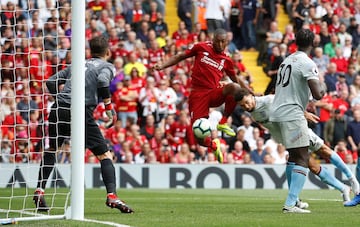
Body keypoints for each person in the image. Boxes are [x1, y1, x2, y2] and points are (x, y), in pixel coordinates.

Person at [33, 36, 134, 213]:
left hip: (59, 108)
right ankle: (112, 196)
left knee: (52, 149)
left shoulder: (78, 64)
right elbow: (103, 82)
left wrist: (60, 99)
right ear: (108, 52)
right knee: (105, 155)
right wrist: (109, 109)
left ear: (90, 51)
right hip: (80, 111)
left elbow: (50, 81)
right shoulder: (107, 66)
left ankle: (39, 190)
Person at [234, 88, 360, 207]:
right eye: (242, 105)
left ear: (251, 96)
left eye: (247, 102)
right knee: (310, 165)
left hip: (297, 130)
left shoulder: (269, 100)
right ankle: (343, 188)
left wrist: (305, 114)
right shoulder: (253, 115)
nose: (246, 106)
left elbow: (289, 105)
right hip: (287, 138)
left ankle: (352, 179)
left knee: (324, 151)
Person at [152, 28, 250, 163]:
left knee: (234, 87)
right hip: (198, 95)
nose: (221, 45)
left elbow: (235, 78)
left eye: (224, 42)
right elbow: (180, 56)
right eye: (218, 42)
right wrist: (162, 66)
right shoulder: (201, 47)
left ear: (227, 42)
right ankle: (213, 145)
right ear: (213, 40)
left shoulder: (226, 59)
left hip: (214, 92)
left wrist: (250, 92)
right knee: (199, 137)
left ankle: (223, 122)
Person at [269, 29, 326, 213]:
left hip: (278, 112)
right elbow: (317, 95)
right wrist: (323, 86)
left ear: (295, 41)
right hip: (292, 113)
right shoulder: (307, 63)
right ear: (313, 43)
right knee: (303, 157)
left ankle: (295, 199)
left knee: (294, 157)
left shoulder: (287, 59)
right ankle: (290, 204)